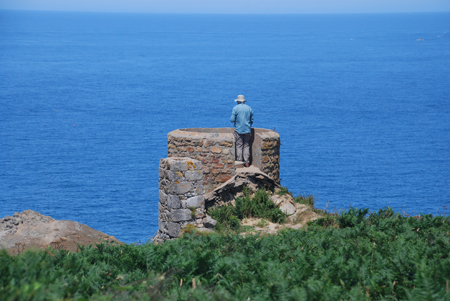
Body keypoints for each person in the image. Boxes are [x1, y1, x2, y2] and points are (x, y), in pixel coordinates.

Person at [230, 95, 254, 167]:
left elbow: (232, 120)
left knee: (239, 145)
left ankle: (240, 161)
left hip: (238, 130)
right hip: (247, 130)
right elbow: (252, 120)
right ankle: (246, 162)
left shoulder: (235, 108)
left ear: (238, 101)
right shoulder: (249, 108)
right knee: (246, 145)